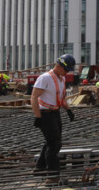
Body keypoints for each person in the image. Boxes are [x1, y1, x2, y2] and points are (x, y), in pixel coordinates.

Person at [31, 54, 76, 183]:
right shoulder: (45, 78)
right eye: (66, 69)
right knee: (54, 144)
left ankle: (40, 167)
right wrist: (37, 117)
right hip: (45, 113)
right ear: (58, 65)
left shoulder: (61, 79)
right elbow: (34, 97)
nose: (67, 72)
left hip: (55, 113)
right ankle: (52, 175)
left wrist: (68, 110)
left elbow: (60, 99)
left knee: (51, 141)